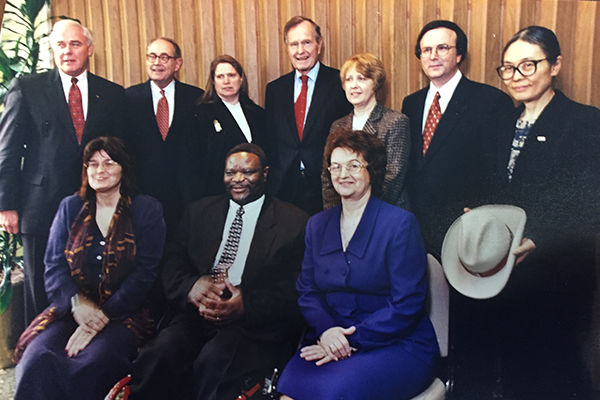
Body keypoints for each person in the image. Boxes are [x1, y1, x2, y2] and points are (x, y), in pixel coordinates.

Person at [129, 143, 309, 400]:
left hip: (250, 324)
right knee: (157, 355)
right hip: (196, 314)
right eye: (230, 173)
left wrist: (246, 305)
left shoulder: (294, 222)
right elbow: (172, 259)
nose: (237, 179)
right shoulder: (199, 211)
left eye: (248, 172)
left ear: (265, 174)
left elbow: (297, 283)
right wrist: (191, 286)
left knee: (214, 364)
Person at [277, 129, 438, 400]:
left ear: (371, 170)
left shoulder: (399, 223)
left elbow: (408, 302)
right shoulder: (317, 225)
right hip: (330, 337)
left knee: (334, 393)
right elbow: (308, 291)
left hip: (395, 344)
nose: (343, 174)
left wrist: (349, 340)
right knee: (288, 392)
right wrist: (328, 332)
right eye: (336, 167)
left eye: (353, 166)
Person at [488, 26, 600, 400]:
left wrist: (540, 237)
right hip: (508, 272)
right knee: (515, 368)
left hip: (558, 271)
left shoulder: (586, 122)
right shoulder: (503, 123)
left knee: (559, 371)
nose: (516, 77)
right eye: (508, 68)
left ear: (555, 65)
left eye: (528, 65)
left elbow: (588, 198)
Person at [13, 137, 166, 400]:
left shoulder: (146, 209)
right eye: (92, 164)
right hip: (71, 310)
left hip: (124, 313)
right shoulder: (70, 207)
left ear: (124, 168)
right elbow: (53, 265)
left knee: (92, 363)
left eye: (109, 163)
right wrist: (77, 305)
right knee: (38, 357)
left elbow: (145, 273)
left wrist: (103, 316)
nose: (100, 170)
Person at [0, 19, 128, 326]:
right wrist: (6, 205)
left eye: (74, 44)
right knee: (41, 292)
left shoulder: (111, 93)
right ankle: (40, 359)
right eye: (60, 45)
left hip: (95, 207)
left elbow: (122, 154)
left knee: (89, 287)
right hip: (39, 207)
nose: (67, 51)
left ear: (89, 49)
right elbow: (7, 150)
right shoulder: (27, 88)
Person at [401, 20, 513, 257]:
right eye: (426, 50)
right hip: (416, 224)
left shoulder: (490, 101)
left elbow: (498, 169)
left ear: (459, 54)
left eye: (442, 48)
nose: (433, 56)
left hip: (465, 225)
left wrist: (485, 216)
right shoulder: (410, 104)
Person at [265, 16, 352, 215]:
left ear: (319, 44)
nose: (300, 51)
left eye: (306, 42)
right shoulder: (275, 90)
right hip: (284, 187)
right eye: (294, 44)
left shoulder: (340, 83)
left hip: (326, 186)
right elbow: (271, 141)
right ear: (287, 48)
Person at [126, 37, 205, 235]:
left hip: (185, 197)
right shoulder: (128, 98)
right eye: (151, 56)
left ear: (177, 63)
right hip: (142, 194)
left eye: (164, 57)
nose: (156, 63)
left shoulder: (197, 98)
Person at [323, 53, 410, 210]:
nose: (354, 85)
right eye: (349, 80)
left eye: (361, 79)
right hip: (344, 215)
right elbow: (327, 176)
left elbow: (393, 178)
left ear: (375, 83)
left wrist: (362, 213)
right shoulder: (337, 125)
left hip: (384, 212)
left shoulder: (395, 121)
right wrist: (334, 214)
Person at [197, 55, 269, 197]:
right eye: (220, 76)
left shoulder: (257, 113)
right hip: (217, 194)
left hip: (255, 192)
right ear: (213, 81)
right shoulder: (200, 114)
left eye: (231, 75)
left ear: (241, 78)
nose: (226, 81)